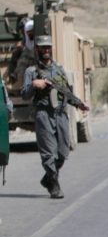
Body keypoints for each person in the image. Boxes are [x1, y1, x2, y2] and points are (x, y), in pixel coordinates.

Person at [21, 35, 89, 199]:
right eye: (42, 47)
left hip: (61, 114)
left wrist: (79, 104)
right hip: (43, 114)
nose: (46, 50)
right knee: (48, 153)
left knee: (63, 151)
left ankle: (47, 179)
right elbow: (24, 94)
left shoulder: (59, 70)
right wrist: (34, 85)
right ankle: (54, 185)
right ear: (37, 49)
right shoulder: (31, 71)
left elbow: (65, 92)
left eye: (48, 47)